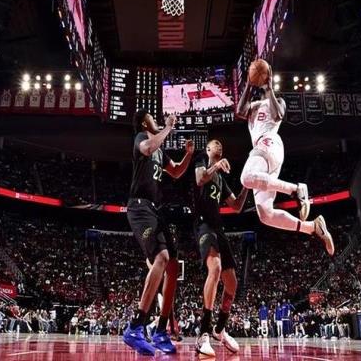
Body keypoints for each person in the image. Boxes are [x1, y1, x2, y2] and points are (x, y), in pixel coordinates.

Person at [236, 60, 334, 256]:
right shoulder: (253, 106)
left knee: (246, 177)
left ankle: (296, 189)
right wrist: (248, 83)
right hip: (264, 156)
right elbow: (239, 111)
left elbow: (279, 114)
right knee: (266, 214)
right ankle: (312, 227)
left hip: (269, 142)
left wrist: (269, 89)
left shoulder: (278, 101)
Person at [123, 110, 194, 356]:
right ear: (145, 122)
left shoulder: (160, 150)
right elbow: (147, 148)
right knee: (161, 258)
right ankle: (135, 326)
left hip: (155, 209)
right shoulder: (142, 137)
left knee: (173, 266)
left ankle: (161, 331)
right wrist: (168, 127)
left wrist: (188, 155)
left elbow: (176, 171)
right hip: (139, 207)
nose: (157, 119)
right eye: (153, 118)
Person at [193, 139, 248, 356]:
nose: (220, 145)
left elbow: (237, 206)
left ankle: (219, 329)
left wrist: (247, 184)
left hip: (218, 228)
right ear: (208, 149)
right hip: (203, 224)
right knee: (214, 269)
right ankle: (203, 332)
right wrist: (216, 165)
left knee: (232, 283)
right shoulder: (201, 159)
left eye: (221, 145)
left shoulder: (221, 180)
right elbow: (199, 179)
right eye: (215, 144)